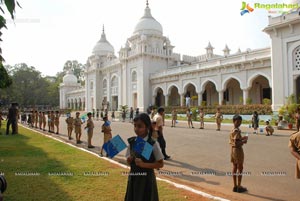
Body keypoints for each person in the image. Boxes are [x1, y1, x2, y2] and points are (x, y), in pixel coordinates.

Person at [124, 113, 164, 201]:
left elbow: (160, 164)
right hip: (134, 178)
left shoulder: (152, 143)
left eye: (139, 126)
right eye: (135, 126)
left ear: (147, 127)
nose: (136, 129)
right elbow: (128, 161)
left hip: (147, 180)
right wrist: (129, 160)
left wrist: (144, 164)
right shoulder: (132, 142)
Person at [229, 114, 248, 193]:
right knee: (240, 168)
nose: (239, 123)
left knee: (234, 167)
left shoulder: (233, 129)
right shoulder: (236, 130)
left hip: (233, 150)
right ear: (234, 121)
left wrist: (242, 138)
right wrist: (244, 141)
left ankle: (235, 186)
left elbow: (235, 140)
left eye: (240, 121)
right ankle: (239, 186)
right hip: (238, 150)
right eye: (238, 121)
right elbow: (237, 143)